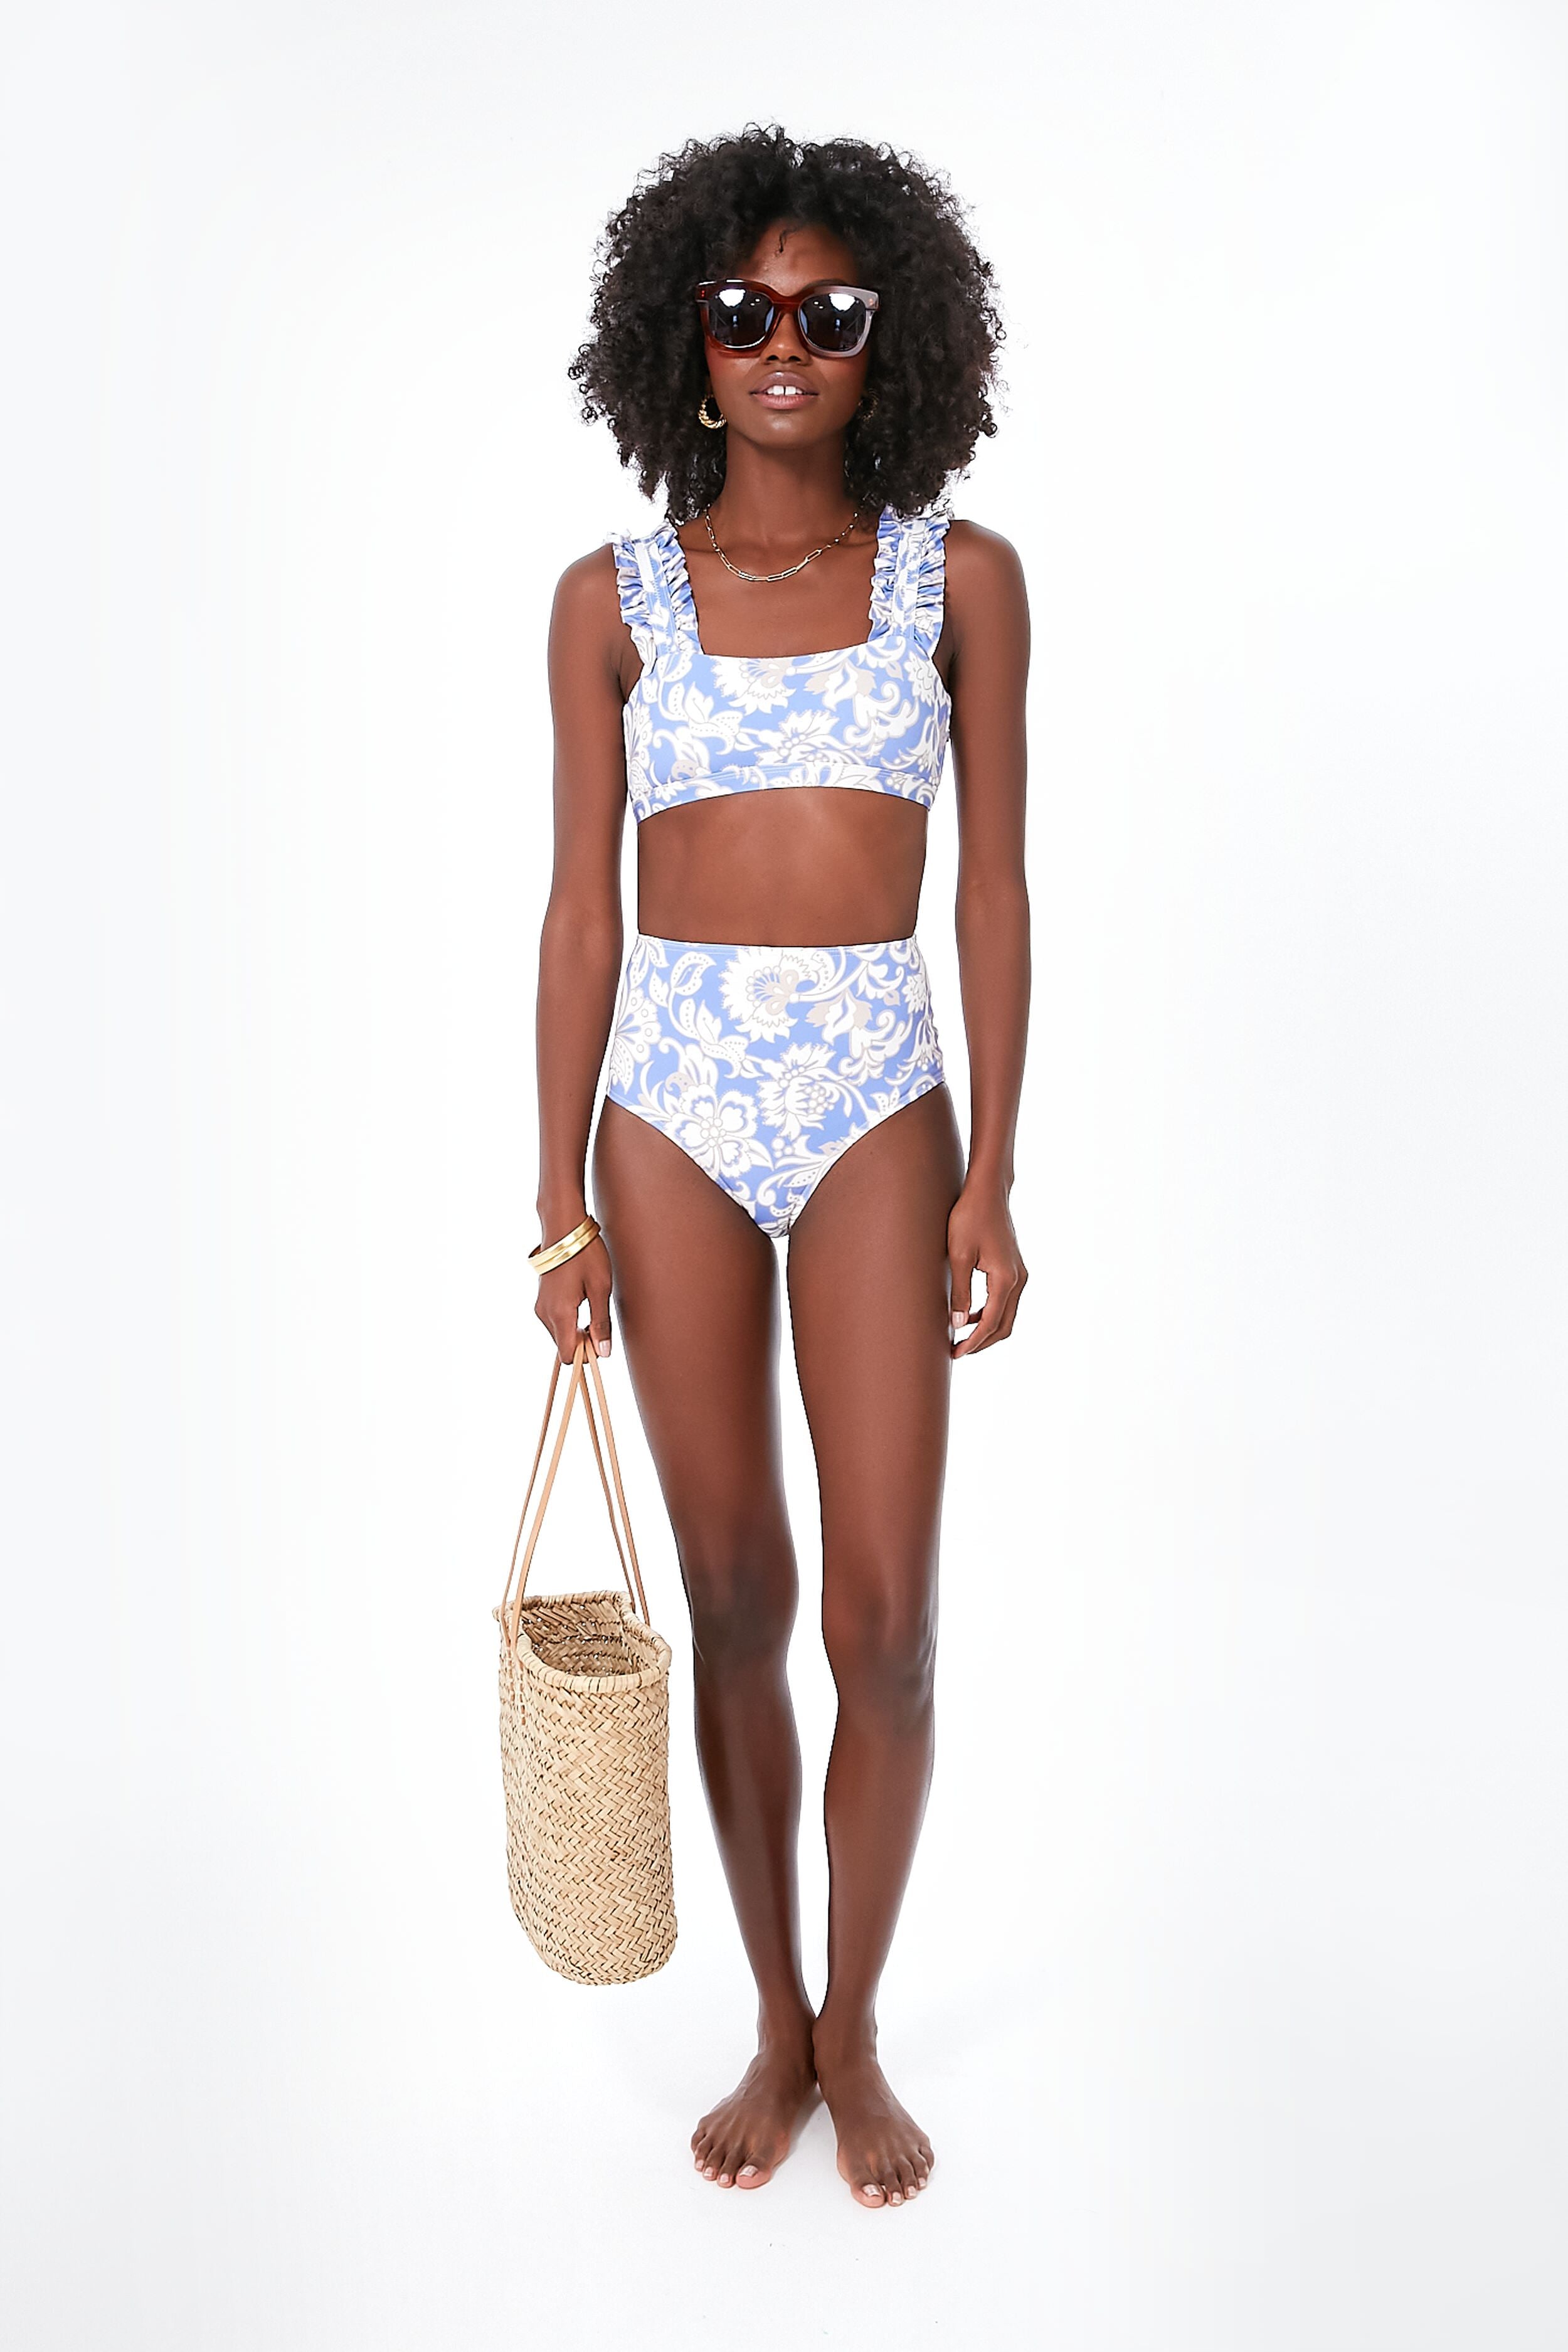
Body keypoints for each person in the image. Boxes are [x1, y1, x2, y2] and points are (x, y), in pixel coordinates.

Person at [532, 128, 1030, 2210]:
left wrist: (992, 1176)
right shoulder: (612, 600)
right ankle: (772, 2020)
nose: (784, 345)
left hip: (874, 1093)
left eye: (829, 310)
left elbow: (989, 889)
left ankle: (859, 2028)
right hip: (669, 1101)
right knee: (736, 1594)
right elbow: (582, 909)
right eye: (742, 311)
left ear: (889, 335)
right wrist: (554, 1196)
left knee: (885, 1615)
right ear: (685, 339)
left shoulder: (956, 581)